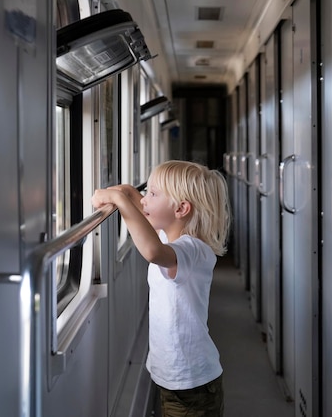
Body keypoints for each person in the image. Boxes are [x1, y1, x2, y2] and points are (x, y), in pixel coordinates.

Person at [91, 160, 230, 417]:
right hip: (174, 378)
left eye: (152, 194)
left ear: (181, 209)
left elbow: (152, 250)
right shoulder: (168, 235)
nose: (145, 200)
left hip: (193, 387)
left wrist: (121, 201)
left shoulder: (192, 251)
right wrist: (130, 193)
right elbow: (146, 217)